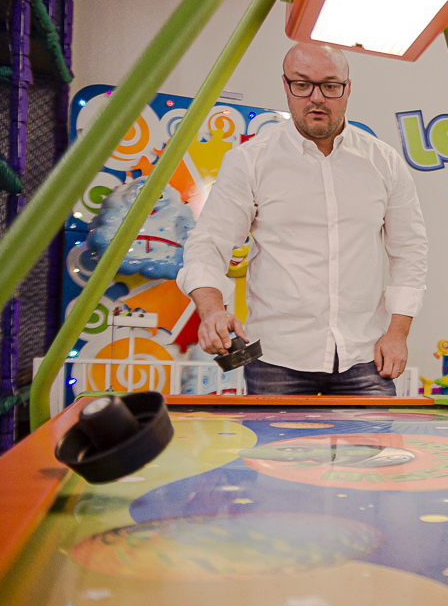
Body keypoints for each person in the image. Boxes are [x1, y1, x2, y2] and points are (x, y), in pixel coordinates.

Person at [176, 42, 427, 396]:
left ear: (347, 89)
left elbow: (410, 251)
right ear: (286, 85)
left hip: (365, 356)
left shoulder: (384, 162)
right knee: (273, 438)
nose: (316, 98)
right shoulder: (250, 161)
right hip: (276, 359)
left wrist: (398, 333)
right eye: (302, 84)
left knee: (375, 437)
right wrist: (212, 309)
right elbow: (208, 244)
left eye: (330, 85)